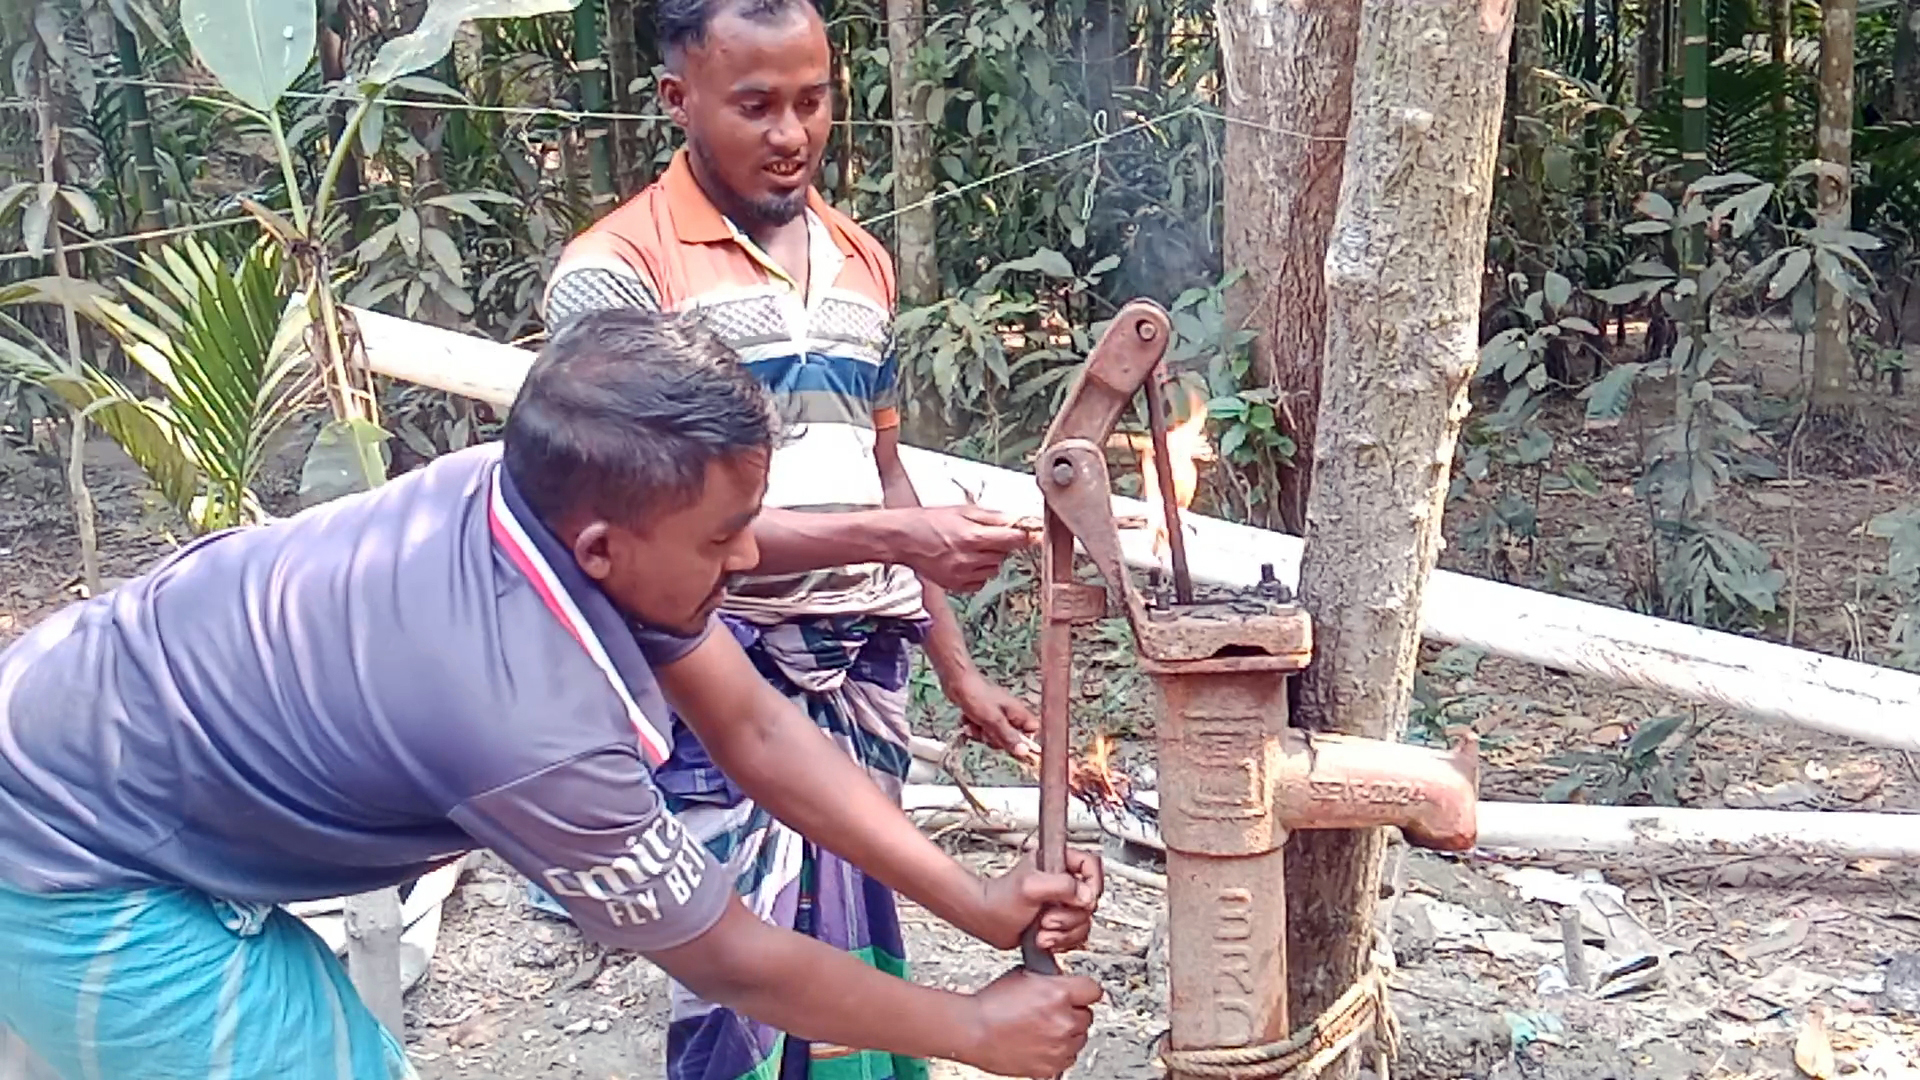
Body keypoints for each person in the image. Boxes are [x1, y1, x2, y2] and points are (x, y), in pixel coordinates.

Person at [0, 310, 1105, 1080]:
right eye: (726, 538)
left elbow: (758, 726)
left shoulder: (538, 498)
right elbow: (725, 953)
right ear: (604, 548)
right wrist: (972, 1030)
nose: (748, 561)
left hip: (98, 747)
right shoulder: (527, 726)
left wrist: (975, 903)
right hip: (68, 853)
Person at [540, 4, 1050, 1080]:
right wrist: (895, 530)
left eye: (812, 100)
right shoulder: (615, 273)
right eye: (756, 105)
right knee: (742, 958)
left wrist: (957, 666)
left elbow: (883, 467)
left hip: (859, 661)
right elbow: (647, 535)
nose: (791, 133)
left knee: (855, 935)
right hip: (711, 665)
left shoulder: (863, 263)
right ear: (679, 99)